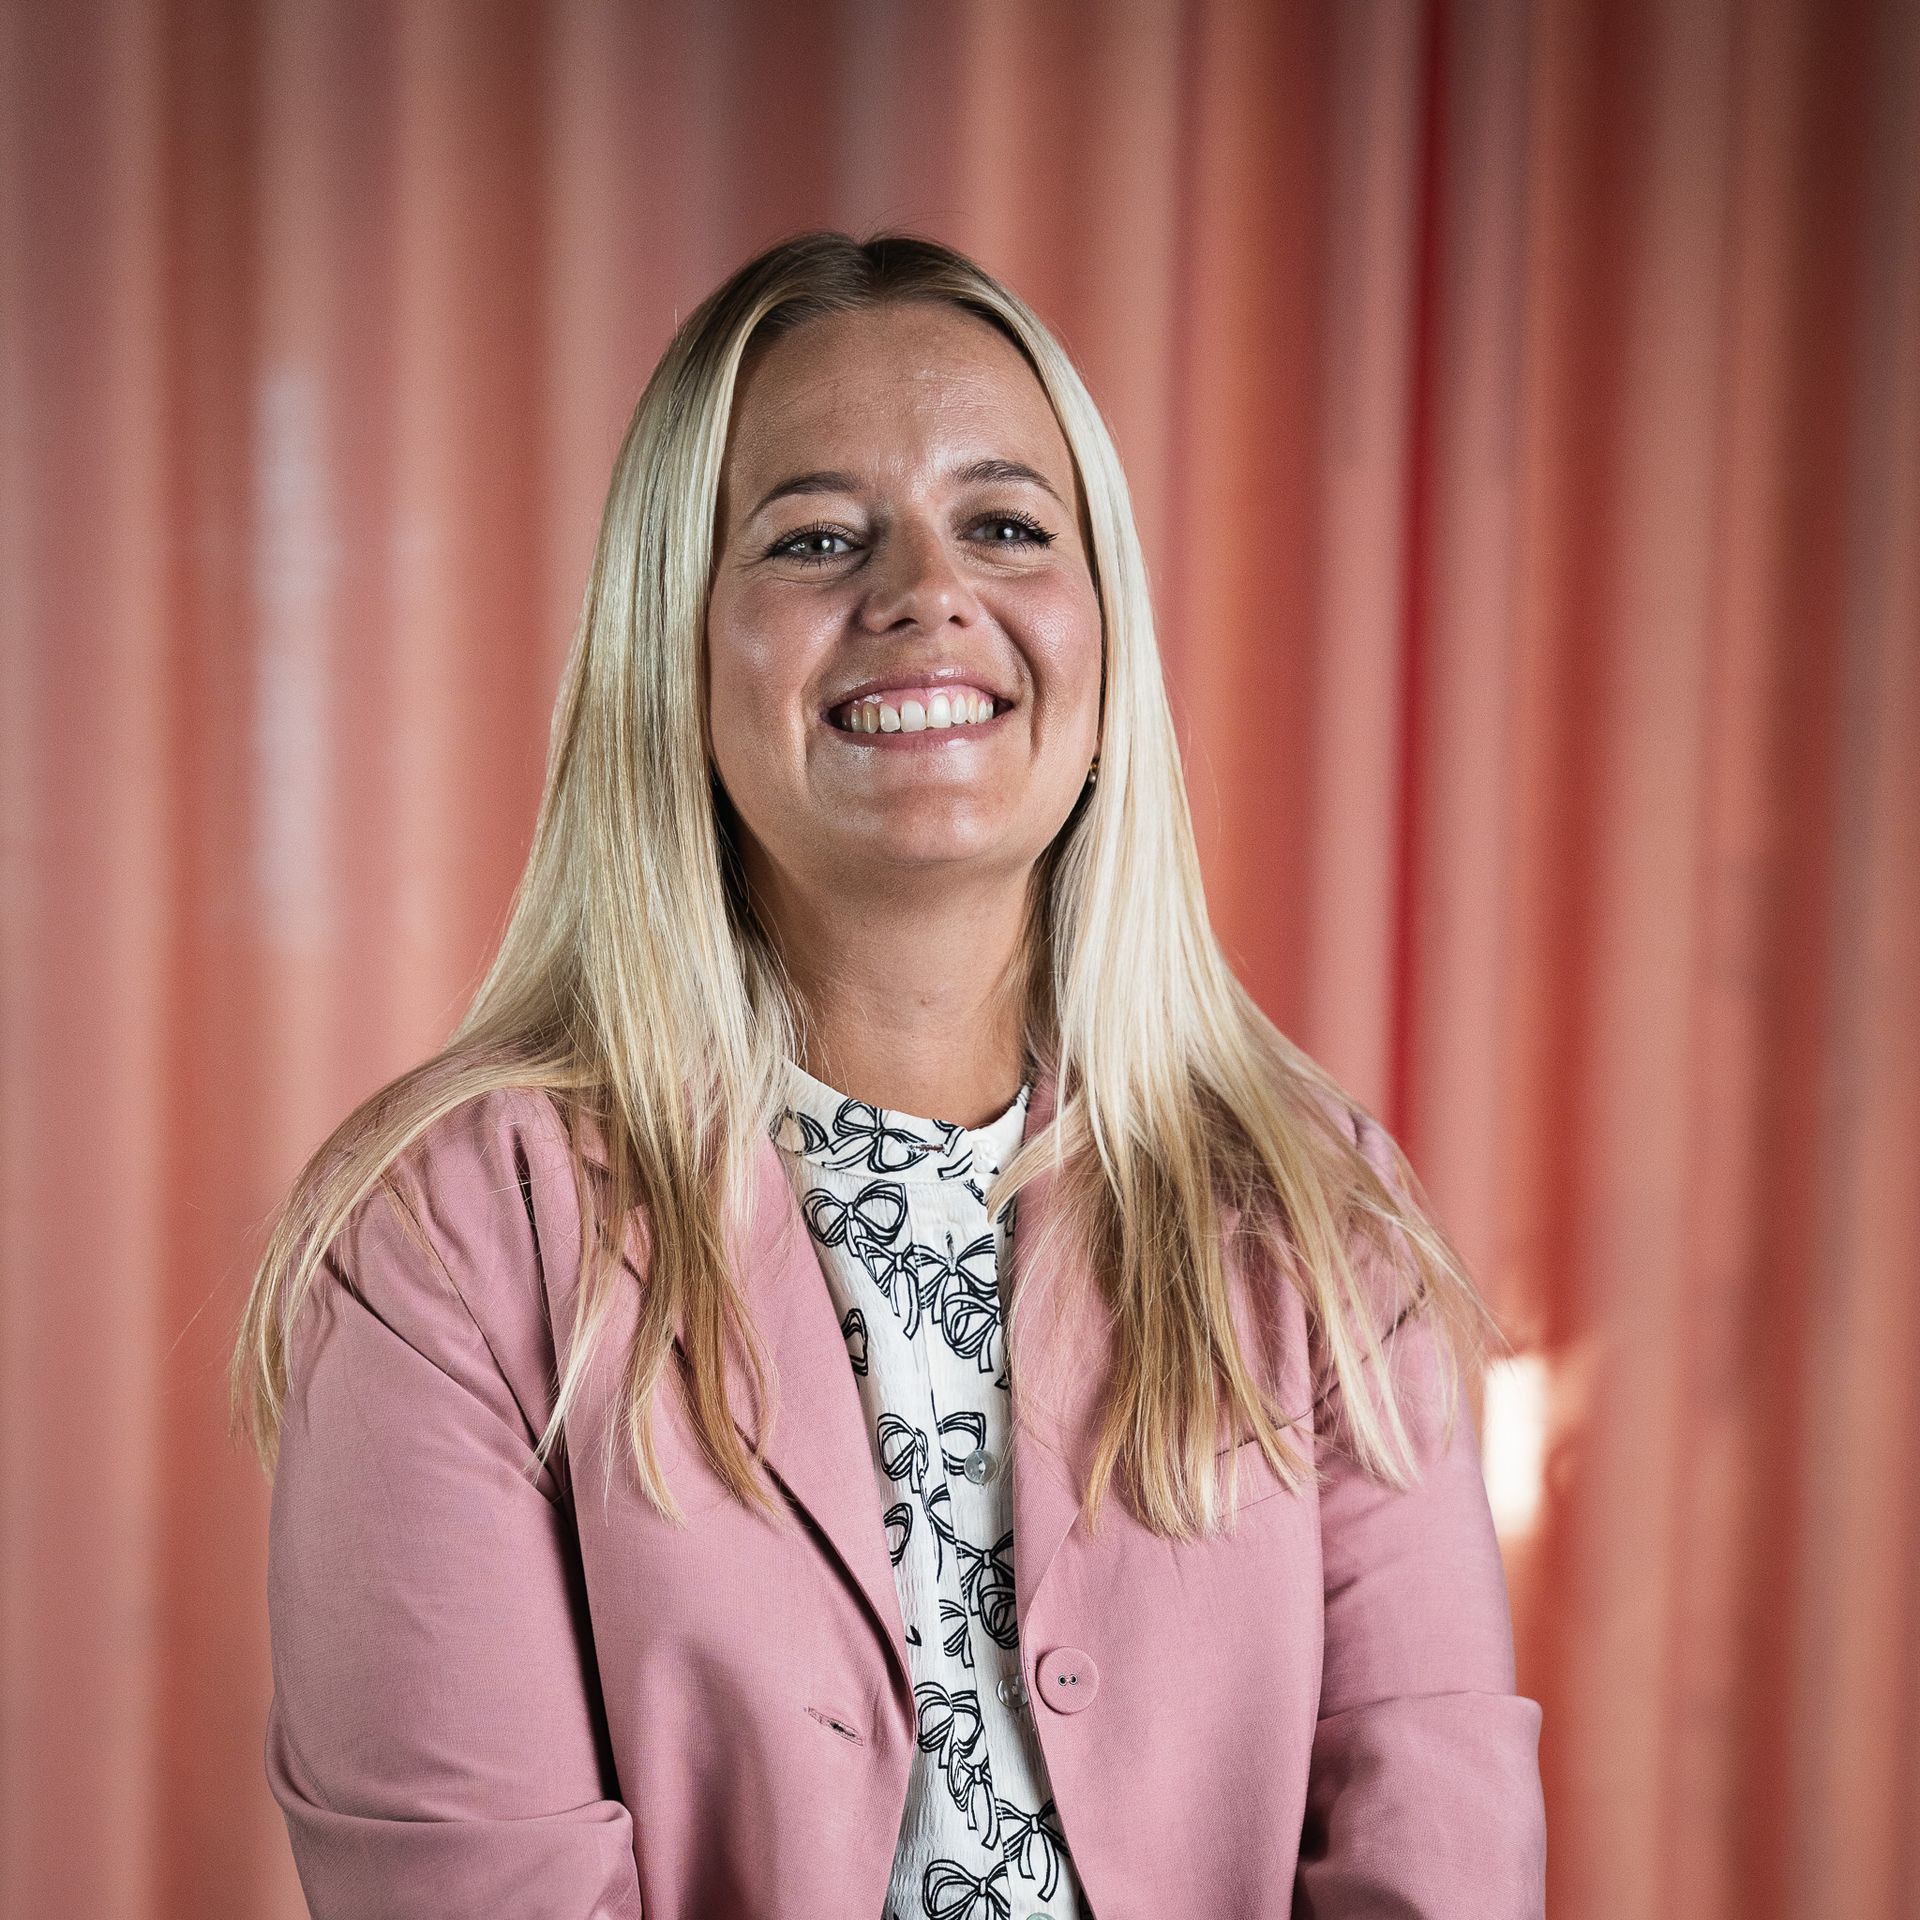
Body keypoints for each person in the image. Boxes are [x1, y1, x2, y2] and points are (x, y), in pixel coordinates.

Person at [231, 228, 1546, 1920]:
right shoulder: (449, 1238)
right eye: (816, 537)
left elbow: (1431, 1856)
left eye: (1004, 525)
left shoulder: (1319, 1215)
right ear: (676, 649)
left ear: (1101, 641)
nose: (928, 591)